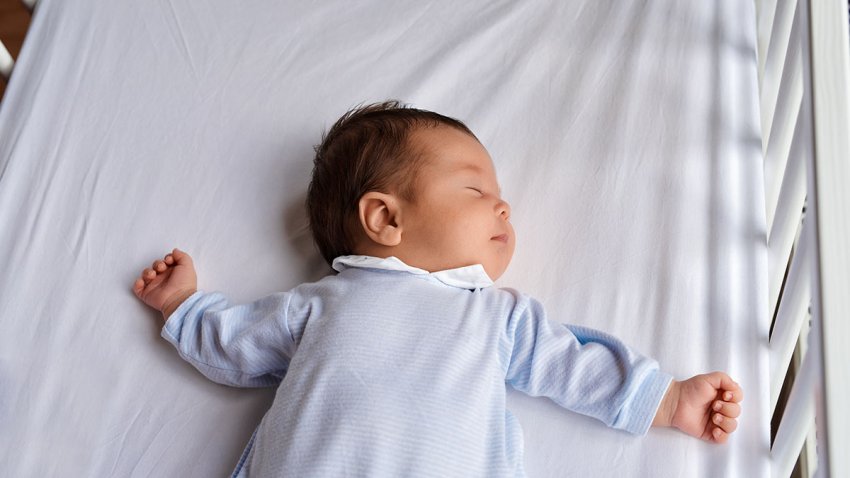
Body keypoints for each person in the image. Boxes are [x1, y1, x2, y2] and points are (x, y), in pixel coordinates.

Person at [133, 101, 742, 477]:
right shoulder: (322, 303)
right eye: (475, 190)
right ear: (384, 218)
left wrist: (668, 401)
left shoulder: (496, 317)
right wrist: (182, 305)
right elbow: (237, 345)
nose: (504, 206)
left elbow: (574, 366)